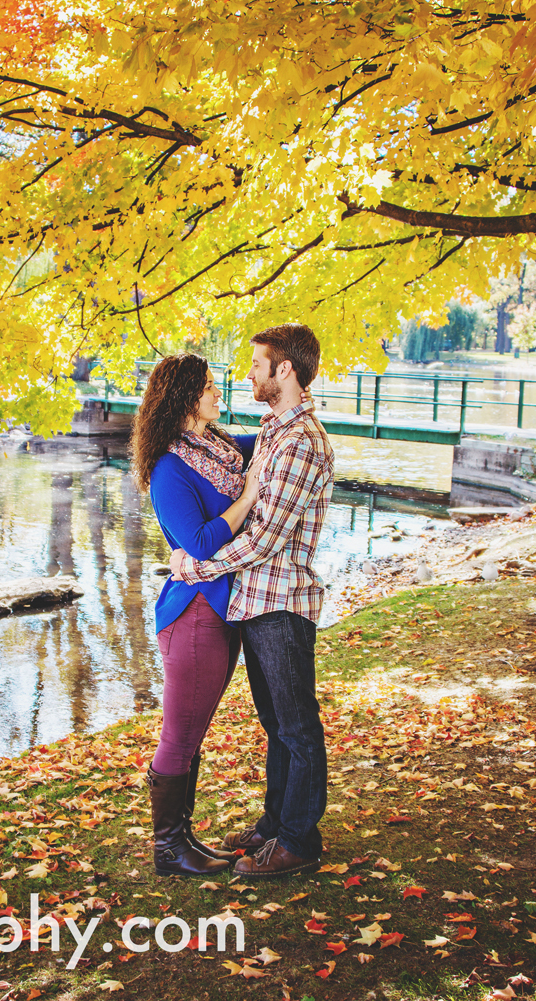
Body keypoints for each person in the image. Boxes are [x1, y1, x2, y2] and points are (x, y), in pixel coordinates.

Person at [170, 323, 334, 878]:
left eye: (258, 363)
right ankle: (274, 824)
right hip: (257, 600)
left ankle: (299, 843)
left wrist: (196, 565)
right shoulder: (271, 431)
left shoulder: (300, 442)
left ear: (284, 370)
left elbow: (265, 538)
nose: (248, 374)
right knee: (276, 724)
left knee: (296, 726)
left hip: (282, 600)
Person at [133, 354, 264, 877]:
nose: (218, 393)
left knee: (193, 731)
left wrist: (293, 412)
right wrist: (249, 496)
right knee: (180, 735)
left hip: (223, 611)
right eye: (208, 387)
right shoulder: (168, 468)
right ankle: (168, 850)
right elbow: (201, 542)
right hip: (193, 616)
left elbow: (270, 446)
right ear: (185, 398)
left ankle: (182, 838)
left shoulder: (220, 447)